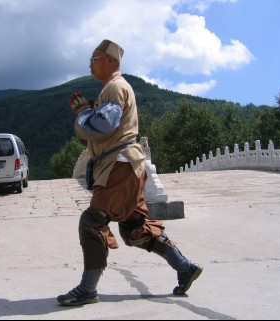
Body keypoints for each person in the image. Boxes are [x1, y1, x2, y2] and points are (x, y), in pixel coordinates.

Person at [57, 39, 203, 306]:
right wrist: (88, 110)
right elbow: (99, 132)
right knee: (134, 229)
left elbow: (103, 126)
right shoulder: (111, 90)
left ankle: (88, 289)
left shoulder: (114, 87)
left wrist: (82, 114)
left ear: (111, 61)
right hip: (127, 165)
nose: (90, 63)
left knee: (91, 222)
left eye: (95, 58)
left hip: (119, 166)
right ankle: (184, 267)